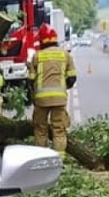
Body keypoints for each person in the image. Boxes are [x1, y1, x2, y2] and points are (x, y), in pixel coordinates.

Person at [27, 24, 77, 152]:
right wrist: (62, 87)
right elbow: (72, 79)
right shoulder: (65, 55)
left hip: (41, 100)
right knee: (59, 130)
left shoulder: (37, 56)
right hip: (59, 99)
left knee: (40, 129)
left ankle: (42, 157)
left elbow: (31, 81)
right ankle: (59, 160)